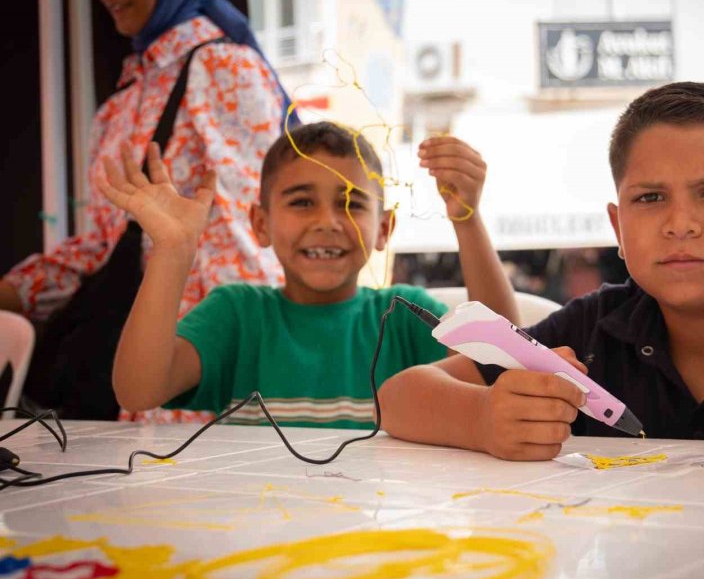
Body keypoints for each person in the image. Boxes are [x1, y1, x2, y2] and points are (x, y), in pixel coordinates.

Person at [378, 82, 704, 460]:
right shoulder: (595, 329)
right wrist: (483, 417)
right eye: (650, 198)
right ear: (619, 229)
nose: (680, 223)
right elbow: (399, 396)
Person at [0, 0, 289, 419]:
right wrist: (16, 288)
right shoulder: (122, 101)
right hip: (139, 367)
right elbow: (101, 248)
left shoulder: (223, 66)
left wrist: (237, 376)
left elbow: (255, 240)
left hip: (204, 375)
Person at [103, 122, 519, 426]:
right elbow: (138, 390)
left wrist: (467, 220)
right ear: (261, 224)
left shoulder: (405, 318)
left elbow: (503, 365)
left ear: (384, 229)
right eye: (302, 202)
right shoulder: (236, 316)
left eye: (352, 204)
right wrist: (173, 251)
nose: (327, 221)